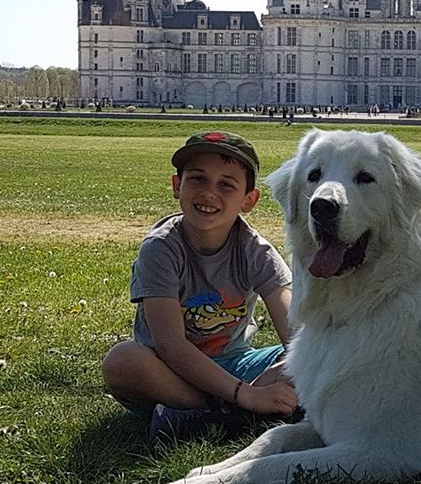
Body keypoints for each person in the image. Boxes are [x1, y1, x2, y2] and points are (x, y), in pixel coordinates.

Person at [102, 130, 298, 440]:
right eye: (197, 179)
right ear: (177, 185)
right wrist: (245, 395)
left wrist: (291, 366)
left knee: (308, 359)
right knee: (122, 362)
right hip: (169, 374)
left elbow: (295, 333)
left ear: (249, 200)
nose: (209, 193)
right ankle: (232, 412)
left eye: (226, 185)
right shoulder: (161, 248)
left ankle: (203, 418)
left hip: (236, 364)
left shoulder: (255, 251)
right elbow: (170, 345)